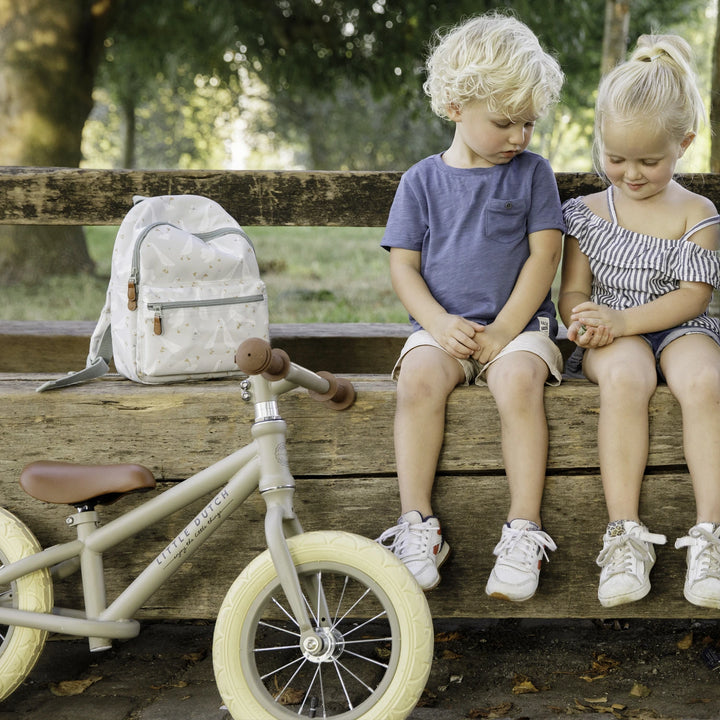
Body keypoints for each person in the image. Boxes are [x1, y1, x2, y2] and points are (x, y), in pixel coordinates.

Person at [376, 11, 565, 602]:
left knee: (516, 385)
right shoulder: (422, 182)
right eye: (505, 122)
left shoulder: (533, 175)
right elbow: (403, 266)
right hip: (443, 328)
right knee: (419, 380)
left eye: (529, 123)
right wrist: (435, 323)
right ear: (456, 107)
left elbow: (544, 258)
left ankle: (522, 529)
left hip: (522, 328)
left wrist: (506, 330)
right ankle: (417, 526)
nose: (520, 137)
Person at [560, 34, 720, 609]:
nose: (631, 174)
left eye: (649, 161)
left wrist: (624, 319)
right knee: (628, 377)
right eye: (616, 158)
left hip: (675, 326)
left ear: (684, 145)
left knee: (704, 380)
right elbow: (574, 289)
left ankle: (711, 535)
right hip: (610, 335)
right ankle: (624, 535)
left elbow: (691, 300)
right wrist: (584, 320)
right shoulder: (585, 213)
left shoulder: (697, 214)